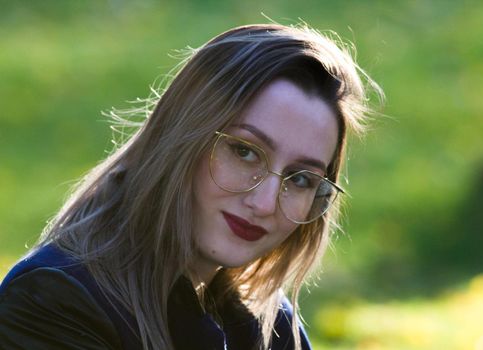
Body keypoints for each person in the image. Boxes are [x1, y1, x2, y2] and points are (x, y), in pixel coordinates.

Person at [0, 23, 381, 349]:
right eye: (244, 152)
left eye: (300, 179)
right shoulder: (54, 302)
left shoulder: (270, 326)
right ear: (180, 139)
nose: (265, 203)